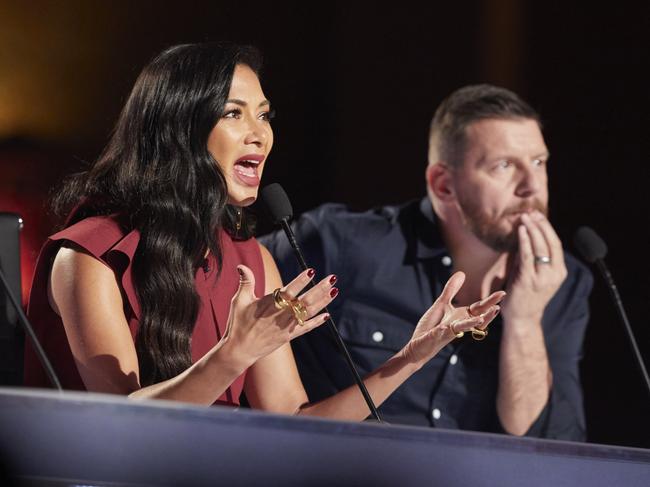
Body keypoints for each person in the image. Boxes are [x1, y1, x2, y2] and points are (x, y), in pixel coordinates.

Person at [24, 44, 503, 421]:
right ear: (178, 129)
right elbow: (120, 424)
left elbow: (295, 422)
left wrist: (414, 355)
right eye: (234, 113)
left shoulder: (250, 260)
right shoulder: (90, 256)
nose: (261, 133)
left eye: (264, 114)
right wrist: (234, 355)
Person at [261, 84, 593, 439]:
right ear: (443, 185)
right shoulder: (342, 244)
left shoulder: (564, 280)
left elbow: (551, 444)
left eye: (539, 162)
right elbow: (230, 271)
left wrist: (525, 320)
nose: (531, 186)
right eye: (504, 166)